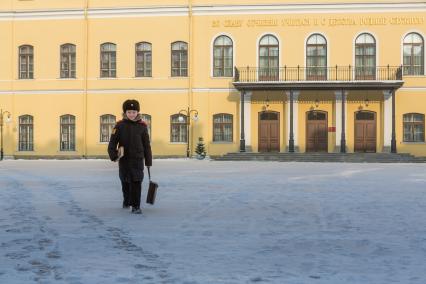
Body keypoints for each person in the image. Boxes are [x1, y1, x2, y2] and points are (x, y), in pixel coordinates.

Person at [108, 99, 152, 214]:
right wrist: (113, 155)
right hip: (124, 160)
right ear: (125, 113)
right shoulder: (119, 126)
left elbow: (146, 145)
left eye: (134, 112)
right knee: (125, 182)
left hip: (138, 160)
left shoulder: (142, 126)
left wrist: (148, 160)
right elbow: (112, 142)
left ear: (137, 112)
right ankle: (127, 201)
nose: (131, 114)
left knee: (137, 182)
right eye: (129, 112)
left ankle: (136, 206)